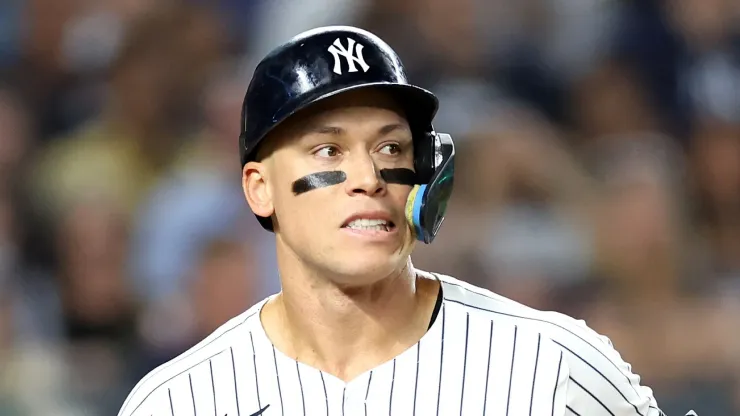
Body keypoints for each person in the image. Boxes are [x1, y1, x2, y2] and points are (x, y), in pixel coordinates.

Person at [117, 26, 663, 416]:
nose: (369, 176)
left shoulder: (550, 365)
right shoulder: (182, 400)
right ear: (260, 189)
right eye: (328, 150)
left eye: (391, 146)